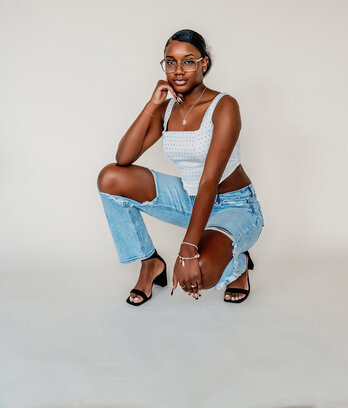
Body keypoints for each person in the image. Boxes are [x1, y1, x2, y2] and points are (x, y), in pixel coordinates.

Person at [97, 28, 264, 306]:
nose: (178, 70)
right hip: (190, 200)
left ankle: (238, 262)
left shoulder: (224, 106)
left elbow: (210, 180)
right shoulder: (167, 110)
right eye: (170, 62)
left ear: (204, 63)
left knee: (197, 275)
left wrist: (187, 249)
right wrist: (153, 104)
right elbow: (123, 158)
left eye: (188, 61)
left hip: (234, 206)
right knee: (110, 178)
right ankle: (149, 263)